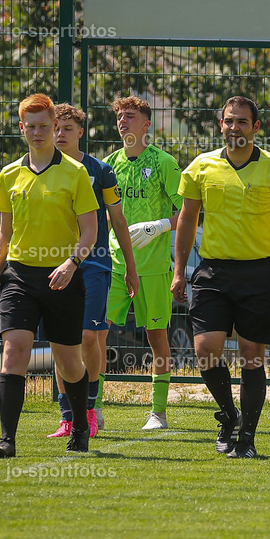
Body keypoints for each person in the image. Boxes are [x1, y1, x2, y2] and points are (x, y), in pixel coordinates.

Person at [172, 96, 270, 459]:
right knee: (205, 349)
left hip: (260, 272)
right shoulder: (201, 167)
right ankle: (229, 415)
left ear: (256, 127)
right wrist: (179, 271)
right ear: (220, 124)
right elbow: (186, 220)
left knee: (251, 355)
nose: (234, 127)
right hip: (212, 271)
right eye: (229, 121)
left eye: (242, 121)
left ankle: (247, 438)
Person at [0, 94, 99, 457]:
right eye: (30, 126)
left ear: (55, 127)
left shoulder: (76, 173)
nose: (38, 133)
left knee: (68, 362)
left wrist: (72, 263)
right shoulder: (9, 174)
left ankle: (79, 426)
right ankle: (7, 440)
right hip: (19, 276)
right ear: (22, 128)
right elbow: (4, 234)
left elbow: (90, 231)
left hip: (62, 277)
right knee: (14, 350)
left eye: (44, 126)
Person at [47, 104, 139, 438]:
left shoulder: (101, 171)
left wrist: (130, 267)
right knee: (61, 342)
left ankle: (90, 408)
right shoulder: (41, 169)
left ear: (81, 133)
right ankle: (67, 415)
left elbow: (118, 220)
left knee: (89, 336)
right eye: (56, 128)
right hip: (53, 264)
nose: (60, 134)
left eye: (68, 129)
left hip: (96, 264)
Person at [104, 96, 182, 430]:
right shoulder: (109, 164)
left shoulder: (164, 162)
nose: (123, 121)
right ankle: (93, 409)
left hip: (153, 267)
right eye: (120, 116)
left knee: (156, 337)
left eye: (130, 116)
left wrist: (159, 225)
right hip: (115, 264)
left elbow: (189, 212)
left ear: (146, 124)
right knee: (96, 334)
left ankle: (158, 413)